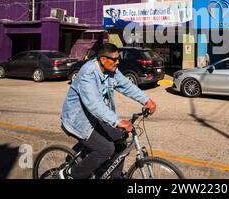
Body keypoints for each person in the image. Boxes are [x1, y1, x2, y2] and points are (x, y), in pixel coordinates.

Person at [60, 43, 157, 179]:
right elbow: (94, 104)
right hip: (79, 120)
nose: (118, 62)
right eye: (114, 59)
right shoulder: (87, 74)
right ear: (103, 59)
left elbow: (126, 85)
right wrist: (118, 121)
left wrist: (146, 100)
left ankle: (113, 176)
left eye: (118, 58)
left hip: (97, 117)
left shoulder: (111, 70)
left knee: (121, 139)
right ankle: (70, 174)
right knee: (106, 149)